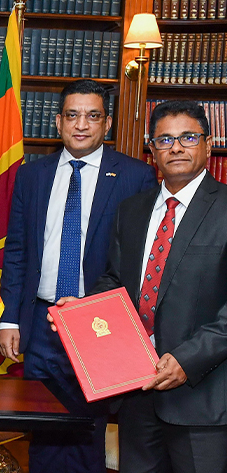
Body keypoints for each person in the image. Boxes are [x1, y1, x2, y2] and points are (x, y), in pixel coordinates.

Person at [52, 100, 227, 472]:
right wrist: (80, 311)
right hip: (134, 391)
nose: (176, 147)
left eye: (188, 137)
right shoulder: (132, 210)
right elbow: (116, 280)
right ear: (152, 149)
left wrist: (188, 360)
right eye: (165, 139)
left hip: (203, 398)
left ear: (208, 145)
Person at [0, 79, 157, 473]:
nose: (81, 125)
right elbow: (17, 250)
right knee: (43, 428)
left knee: (89, 430)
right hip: (42, 320)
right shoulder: (32, 176)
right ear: (58, 122)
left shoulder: (135, 177)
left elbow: (140, 259)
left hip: (100, 324)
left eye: (92, 116)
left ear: (107, 124)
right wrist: (9, 318)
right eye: (72, 115)